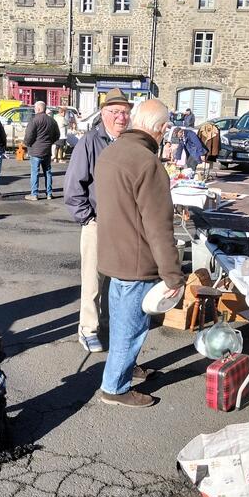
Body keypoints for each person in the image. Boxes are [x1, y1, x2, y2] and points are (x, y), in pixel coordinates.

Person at [95, 99, 184, 407]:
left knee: (122, 323)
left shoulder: (112, 151)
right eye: (165, 129)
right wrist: (173, 274)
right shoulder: (147, 162)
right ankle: (115, 388)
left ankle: (124, 367)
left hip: (113, 254)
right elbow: (159, 227)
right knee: (130, 329)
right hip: (135, 259)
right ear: (161, 128)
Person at [64, 87, 132, 352]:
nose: (121, 117)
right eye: (115, 112)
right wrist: (88, 219)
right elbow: (74, 186)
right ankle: (88, 329)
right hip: (97, 223)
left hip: (123, 225)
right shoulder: (91, 141)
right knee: (93, 281)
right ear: (103, 114)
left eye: (125, 112)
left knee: (116, 280)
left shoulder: (130, 143)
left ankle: (107, 323)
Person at [24, 101, 60, 201]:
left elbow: (29, 136)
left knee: (35, 172)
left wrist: (28, 144)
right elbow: (57, 135)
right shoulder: (52, 121)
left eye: (35, 108)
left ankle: (34, 194)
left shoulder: (34, 120)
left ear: (39, 109)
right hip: (47, 150)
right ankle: (49, 193)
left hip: (35, 151)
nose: (34, 110)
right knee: (47, 172)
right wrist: (50, 142)